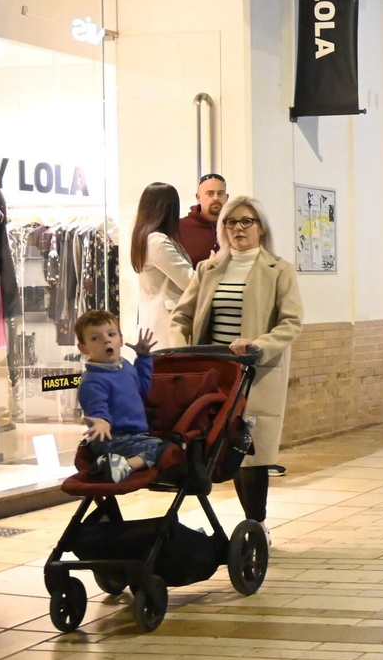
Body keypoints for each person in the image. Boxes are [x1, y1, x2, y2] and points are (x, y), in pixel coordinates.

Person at [172, 196, 303, 523]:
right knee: (223, 447)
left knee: (253, 453)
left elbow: (291, 322)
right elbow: (181, 317)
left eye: (247, 222)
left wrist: (259, 345)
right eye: (231, 222)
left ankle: (256, 525)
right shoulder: (208, 268)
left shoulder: (279, 270)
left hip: (256, 372)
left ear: (261, 228)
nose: (238, 228)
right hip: (215, 373)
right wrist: (180, 350)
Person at [75, 311, 164, 483]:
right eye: (95, 338)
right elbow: (96, 406)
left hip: (135, 437)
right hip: (113, 439)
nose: (106, 340)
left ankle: (110, 464)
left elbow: (142, 388)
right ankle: (126, 466)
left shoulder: (126, 367)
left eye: (111, 334)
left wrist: (144, 358)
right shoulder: (92, 380)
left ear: (121, 340)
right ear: (84, 348)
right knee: (164, 449)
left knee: (163, 446)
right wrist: (100, 420)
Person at [130, 183, 196, 351]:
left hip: (155, 319)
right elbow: (188, 280)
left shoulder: (145, 237)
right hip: (164, 322)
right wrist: (212, 266)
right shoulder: (157, 241)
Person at [179, 172, 228, 265]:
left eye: (220, 193)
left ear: (227, 197)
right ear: (198, 197)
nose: (216, 198)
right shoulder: (180, 228)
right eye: (210, 193)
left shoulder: (235, 227)